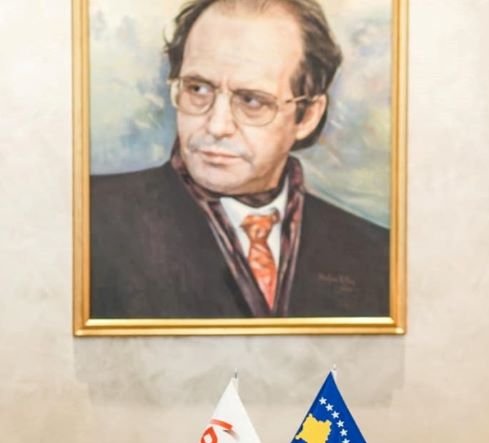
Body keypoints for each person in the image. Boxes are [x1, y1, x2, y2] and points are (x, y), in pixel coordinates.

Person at [89, 0, 389, 318]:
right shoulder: (88, 218)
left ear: (308, 116)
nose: (217, 126)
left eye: (251, 100)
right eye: (198, 89)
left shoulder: (376, 254)